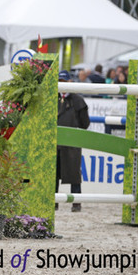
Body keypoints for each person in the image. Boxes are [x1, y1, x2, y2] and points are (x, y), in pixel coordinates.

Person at [56, 70, 90, 212]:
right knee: (53, 173)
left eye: (64, 82)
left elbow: (85, 123)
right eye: (60, 82)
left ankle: (76, 202)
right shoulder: (52, 99)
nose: (62, 85)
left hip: (72, 142)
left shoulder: (78, 100)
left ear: (70, 82)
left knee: (74, 173)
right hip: (56, 142)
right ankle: (53, 201)